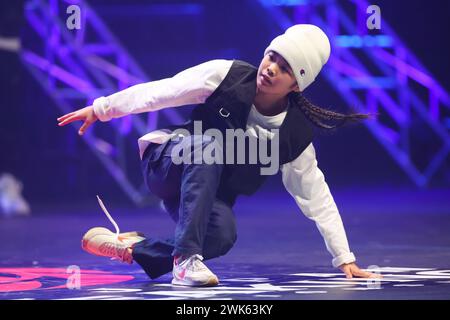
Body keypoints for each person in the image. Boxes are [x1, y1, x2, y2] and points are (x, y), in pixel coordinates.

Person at [57, 24, 382, 287]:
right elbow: (160, 92)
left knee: (222, 235)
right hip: (167, 163)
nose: (270, 69)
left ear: (296, 85)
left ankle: (133, 248)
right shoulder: (226, 75)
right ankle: (185, 262)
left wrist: (344, 258)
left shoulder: (292, 136)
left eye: (284, 69)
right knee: (209, 147)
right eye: (272, 57)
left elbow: (317, 197)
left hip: (200, 194)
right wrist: (102, 109)